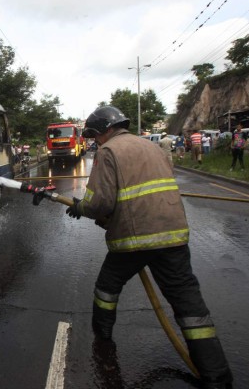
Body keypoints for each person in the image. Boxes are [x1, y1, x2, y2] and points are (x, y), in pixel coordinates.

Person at [65, 105, 232, 388]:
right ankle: (217, 376)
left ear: (105, 130)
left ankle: (102, 339)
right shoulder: (151, 147)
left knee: (107, 288)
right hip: (173, 234)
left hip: (135, 237)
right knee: (188, 302)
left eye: (94, 135)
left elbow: (100, 202)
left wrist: (82, 207)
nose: (95, 141)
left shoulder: (109, 152)